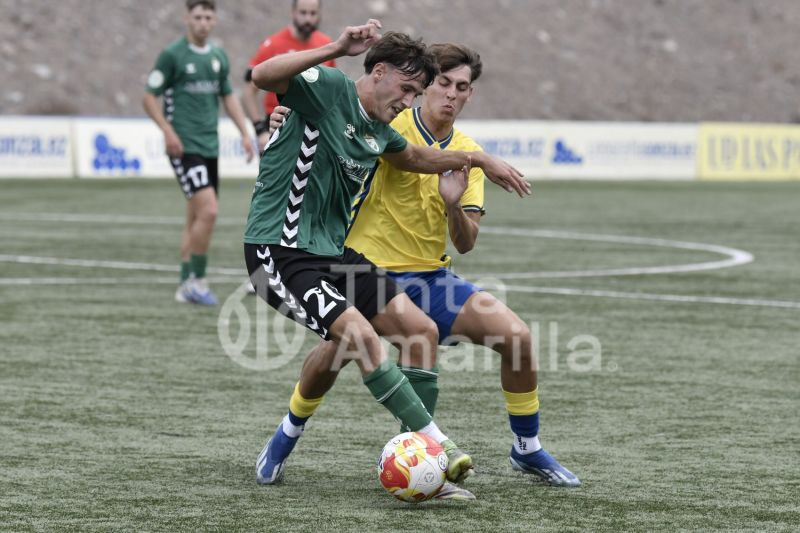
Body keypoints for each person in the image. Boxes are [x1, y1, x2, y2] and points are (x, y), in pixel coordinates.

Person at [269, 43, 580, 495]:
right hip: (363, 265)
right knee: (338, 350)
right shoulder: (387, 118)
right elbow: (321, 118)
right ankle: (287, 434)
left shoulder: (468, 152)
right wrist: (281, 119)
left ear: (470, 94)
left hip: (431, 277)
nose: (451, 95)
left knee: (518, 338)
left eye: (462, 88)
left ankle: (526, 447)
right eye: (443, 84)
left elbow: (466, 242)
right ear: (426, 86)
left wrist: (452, 206)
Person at [143, 0, 254, 305]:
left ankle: (184, 283)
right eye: (198, 17)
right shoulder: (172, 55)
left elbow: (228, 96)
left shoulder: (218, 56)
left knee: (195, 215)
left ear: (215, 20)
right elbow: (149, 97)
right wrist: (167, 131)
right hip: (184, 146)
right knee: (209, 210)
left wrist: (245, 133)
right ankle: (197, 280)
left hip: (209, 146)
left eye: (208, 17)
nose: (203, 22)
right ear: (187, 19)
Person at [242, 0, 335, 152]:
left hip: (313, 129)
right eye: (303, 13)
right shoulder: (273, 44)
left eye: (312, 13)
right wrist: (260, 129)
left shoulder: (326, 45)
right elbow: (248, 91)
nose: (308, 19)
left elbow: (330, 91)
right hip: (277, 124)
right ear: (293, 13)